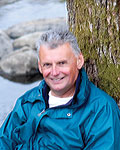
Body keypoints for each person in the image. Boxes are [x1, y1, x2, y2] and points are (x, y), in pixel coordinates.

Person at [0, 27, 120, 150]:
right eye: (47, 65)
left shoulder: (100, 110)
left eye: (61, 63)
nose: (55, 72)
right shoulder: (27, 102)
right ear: (40, 67)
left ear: (79, 61)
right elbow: (3, 141)